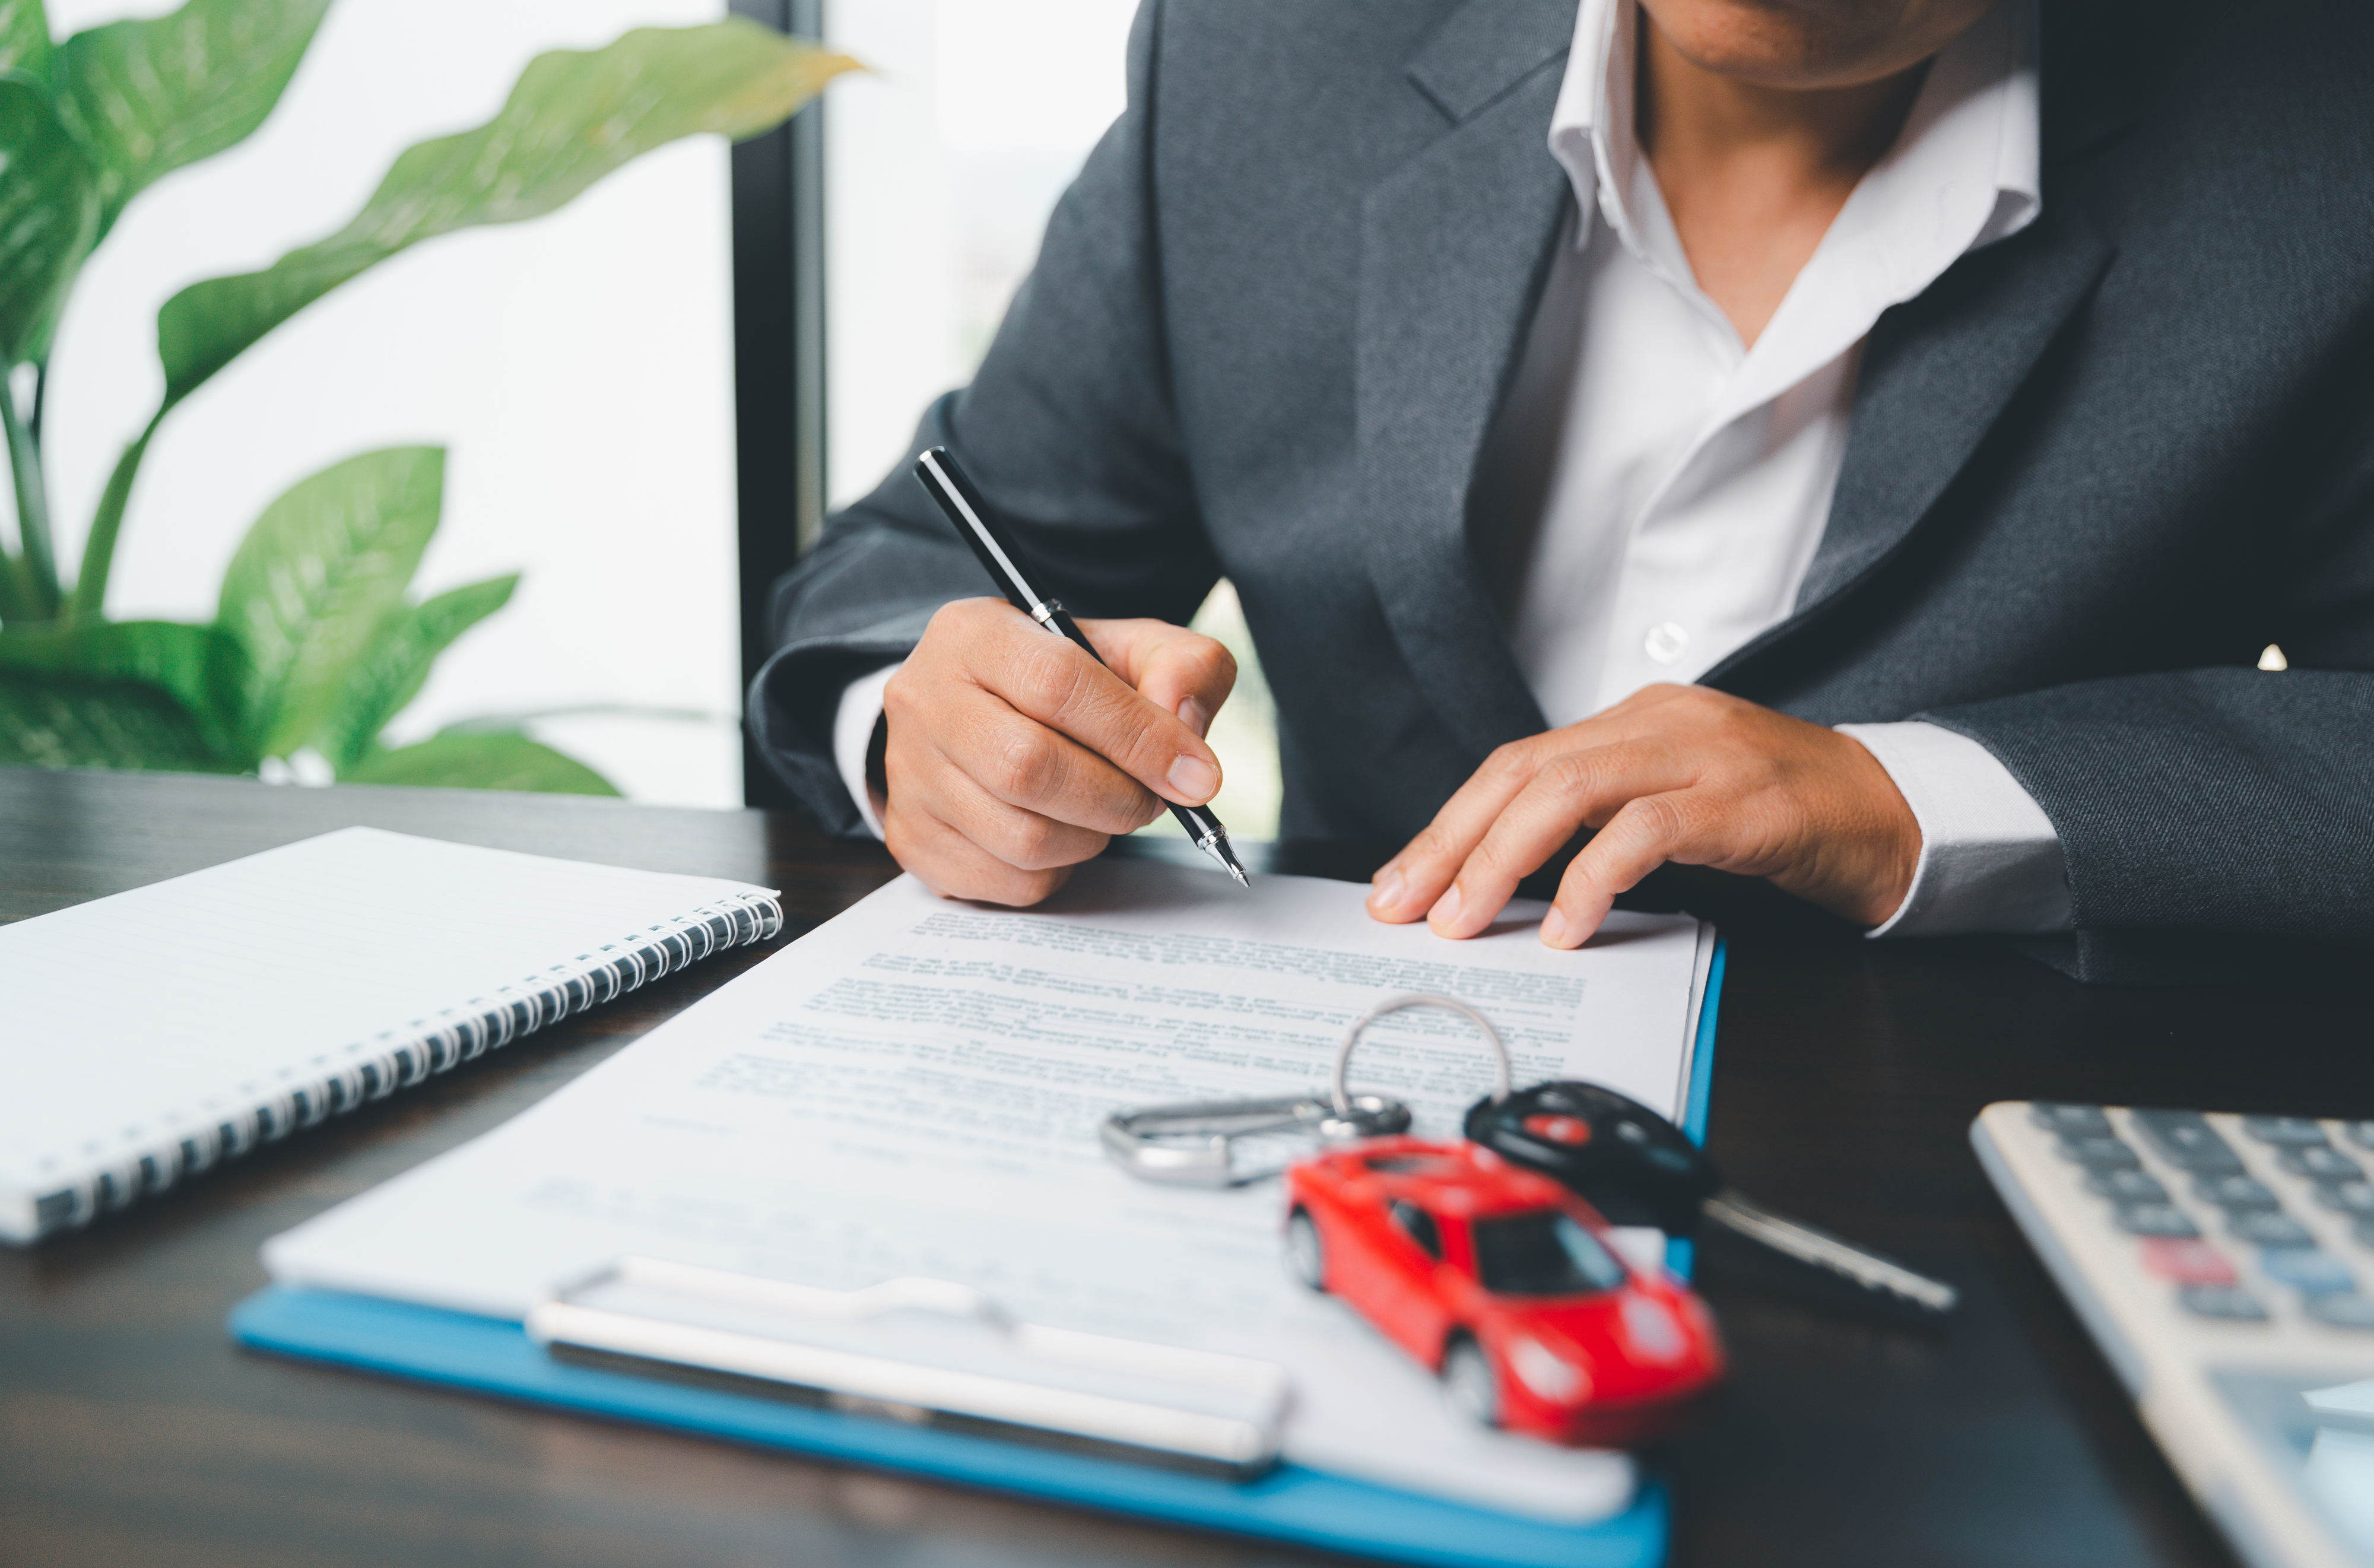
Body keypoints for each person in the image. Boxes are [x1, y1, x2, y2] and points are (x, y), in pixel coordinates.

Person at [750, 0, 2374, 983]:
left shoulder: (2323, 130)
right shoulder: (1265, 55)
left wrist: (1905, 801)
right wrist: (928, 723)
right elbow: (908, 562)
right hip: (1324, 1141)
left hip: (1981, 1205)